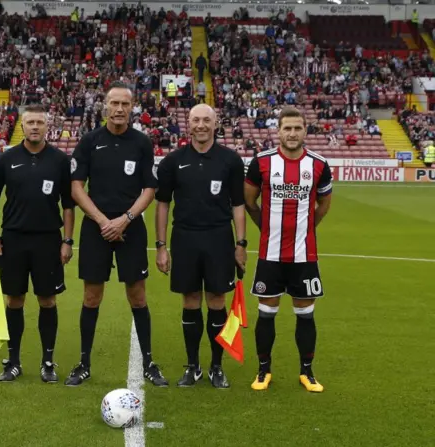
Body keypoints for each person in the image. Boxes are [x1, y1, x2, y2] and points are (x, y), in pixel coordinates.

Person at [65, 81, 168, 387]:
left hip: (131, 228)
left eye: (125, 104)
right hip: (96, 229)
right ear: (105, 106)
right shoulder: (89, 141)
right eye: (115, 104)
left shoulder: (142, 143)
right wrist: (102, 221)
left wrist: (124, 220)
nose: (120, 109)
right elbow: (76, 187)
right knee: (91, 296)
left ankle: (149, 361)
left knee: (137, 295)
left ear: (132, 107)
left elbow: (150, 189)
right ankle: (83, 362)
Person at [0, 104, 75, 383]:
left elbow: (69, 205)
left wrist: (67, 240)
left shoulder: (59, 160)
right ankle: (14, 361)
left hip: (48, 240)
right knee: (15, 300)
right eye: (30, 122)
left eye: (40, 122)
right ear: (22, 124)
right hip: (13, 239)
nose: (35, 126)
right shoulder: (7, 159)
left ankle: (48, 362)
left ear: (48, 126)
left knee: (47, 300)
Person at [155, 104, 247, 388]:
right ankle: (192, 365)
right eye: (196, 120)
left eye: (206, 120)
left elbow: (238, 205)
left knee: (217, 301)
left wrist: (241, 243)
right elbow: (162, 205)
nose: (201, 125)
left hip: (219, 237)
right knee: (190, 300)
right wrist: (161, 245)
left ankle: (216, 367)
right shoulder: (173, 161)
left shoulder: (230, 160)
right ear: (188, 124)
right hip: (184, 238)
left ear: (215, 123)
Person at [244, 107, 333, 393]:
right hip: (270, 254)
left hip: (304, 255)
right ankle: (263, 370)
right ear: (278, 131)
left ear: (305, 131)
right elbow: (250, 202)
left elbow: (323, 206)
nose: (292, 133)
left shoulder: (319, 164)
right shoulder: (261, 162)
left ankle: (307, 372)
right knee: (266, 312)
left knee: (305, 313)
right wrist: (267, 230)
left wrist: (305, 230)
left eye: (297, 128)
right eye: (287, 128)